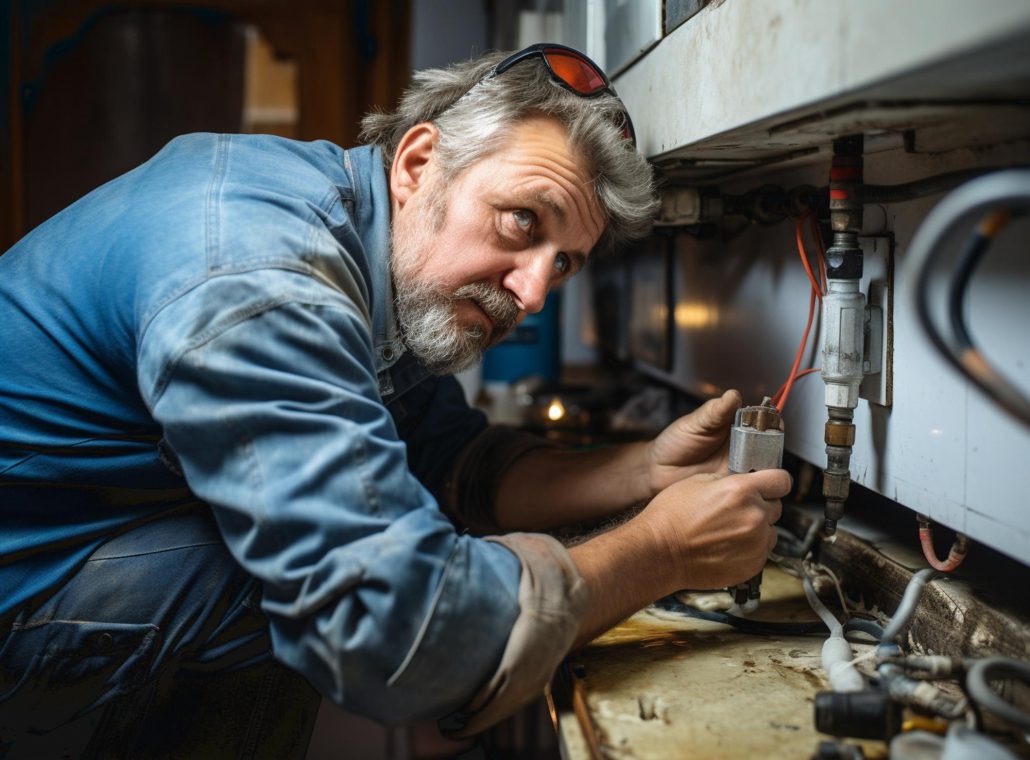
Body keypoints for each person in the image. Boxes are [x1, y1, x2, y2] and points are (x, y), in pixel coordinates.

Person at [0, 44, 789, 755]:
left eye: (566, 263)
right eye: (522, 221)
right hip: (21, 586)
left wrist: (642, 472)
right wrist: (661, 551)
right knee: (274, 577)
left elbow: (446, 457)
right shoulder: (266, 282)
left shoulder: (368, 245)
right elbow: (394, 626)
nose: (535, 292)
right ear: (417, 163)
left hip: (79, 552)